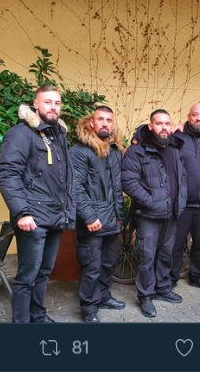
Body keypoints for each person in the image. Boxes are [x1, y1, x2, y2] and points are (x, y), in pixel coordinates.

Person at [0, 85, 75, 323]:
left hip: (55, 216)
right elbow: (8, 174)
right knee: (27, 276)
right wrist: (22, 212)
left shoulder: (58, 134)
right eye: (48, 102)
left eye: (57, 103)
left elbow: (64, 178)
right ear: (35, 104)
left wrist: (68, 212)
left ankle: (38, 316)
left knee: (43, 273)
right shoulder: (21, 134)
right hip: (32, 217)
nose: (53, 107)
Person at [122, 109, 187, 318]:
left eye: (167, 123)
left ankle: (163, 288)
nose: (164, 127)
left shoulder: (175, 149)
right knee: (147, 256)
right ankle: (146, 295)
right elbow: (128, 182)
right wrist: (151, 203)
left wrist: (181, 200)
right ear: (150, 126)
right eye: (159, 123)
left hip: (171, 213)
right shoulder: (137, 151)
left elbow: (182, 178)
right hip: (148, 215)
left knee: (166, 253)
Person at [70, 106, 126, 323]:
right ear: (91, 123)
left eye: (109, 120)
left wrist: (119, 215)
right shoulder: (80, 151)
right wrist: (89, 217)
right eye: (100, 119)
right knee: (91, 267)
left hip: (112, 219)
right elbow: (75, 188)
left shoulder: (114, 150)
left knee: (109, 263)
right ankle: (89, 308)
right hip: (93, 221)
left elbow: (117, 187)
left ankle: (103, 296)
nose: (105, 123)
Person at [170, 103, 200, 292]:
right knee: (175, 244)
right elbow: (150, 132)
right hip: (182, 203)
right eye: (194, 115)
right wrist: (138, 134)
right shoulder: (177, 137)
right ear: (188, 117)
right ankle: (170, 277)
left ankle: (198, 277)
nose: (198, 118)